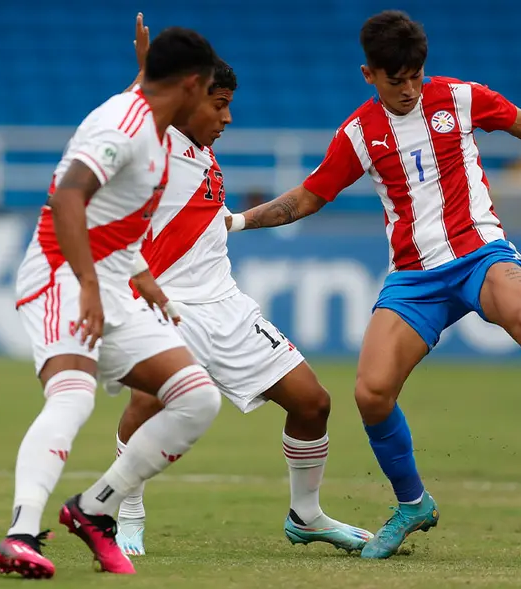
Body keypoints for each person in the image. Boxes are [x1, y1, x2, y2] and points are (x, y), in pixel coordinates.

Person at [224, 10, 521, 559]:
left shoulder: (460, 96)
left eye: (415, 75)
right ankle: (413, 504)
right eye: (395, 80)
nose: (408, 89)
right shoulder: (359, 133)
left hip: (480, 252)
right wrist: (239, 221)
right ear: (369, 75)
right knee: (370, 393)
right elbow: (309, 197)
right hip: (415, 277)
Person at [110, 16, 372, 556]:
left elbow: (199, 212)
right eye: (218, 105)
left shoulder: (203, 148)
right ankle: (126, 509)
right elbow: (135, 118)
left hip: (227, 307)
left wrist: (233, 221)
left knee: (312, 403)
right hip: (168, 306)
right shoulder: (155, 139)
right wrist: (144, 73)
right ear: (187, 100)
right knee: (146, 403)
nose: (228, 117)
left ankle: (307, 514)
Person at [0, 27, 220, 578]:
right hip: (61, 274)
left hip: (113, 282)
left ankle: (93, 509)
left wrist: (142, 278)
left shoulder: (156, 126)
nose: (219, 108)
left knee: (196, 399)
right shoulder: (127, 125)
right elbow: (69, 195)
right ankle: (20, 534)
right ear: (191, 84)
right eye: (211, 91)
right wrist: (89, 286)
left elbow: (115, 220)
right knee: (73, 396)